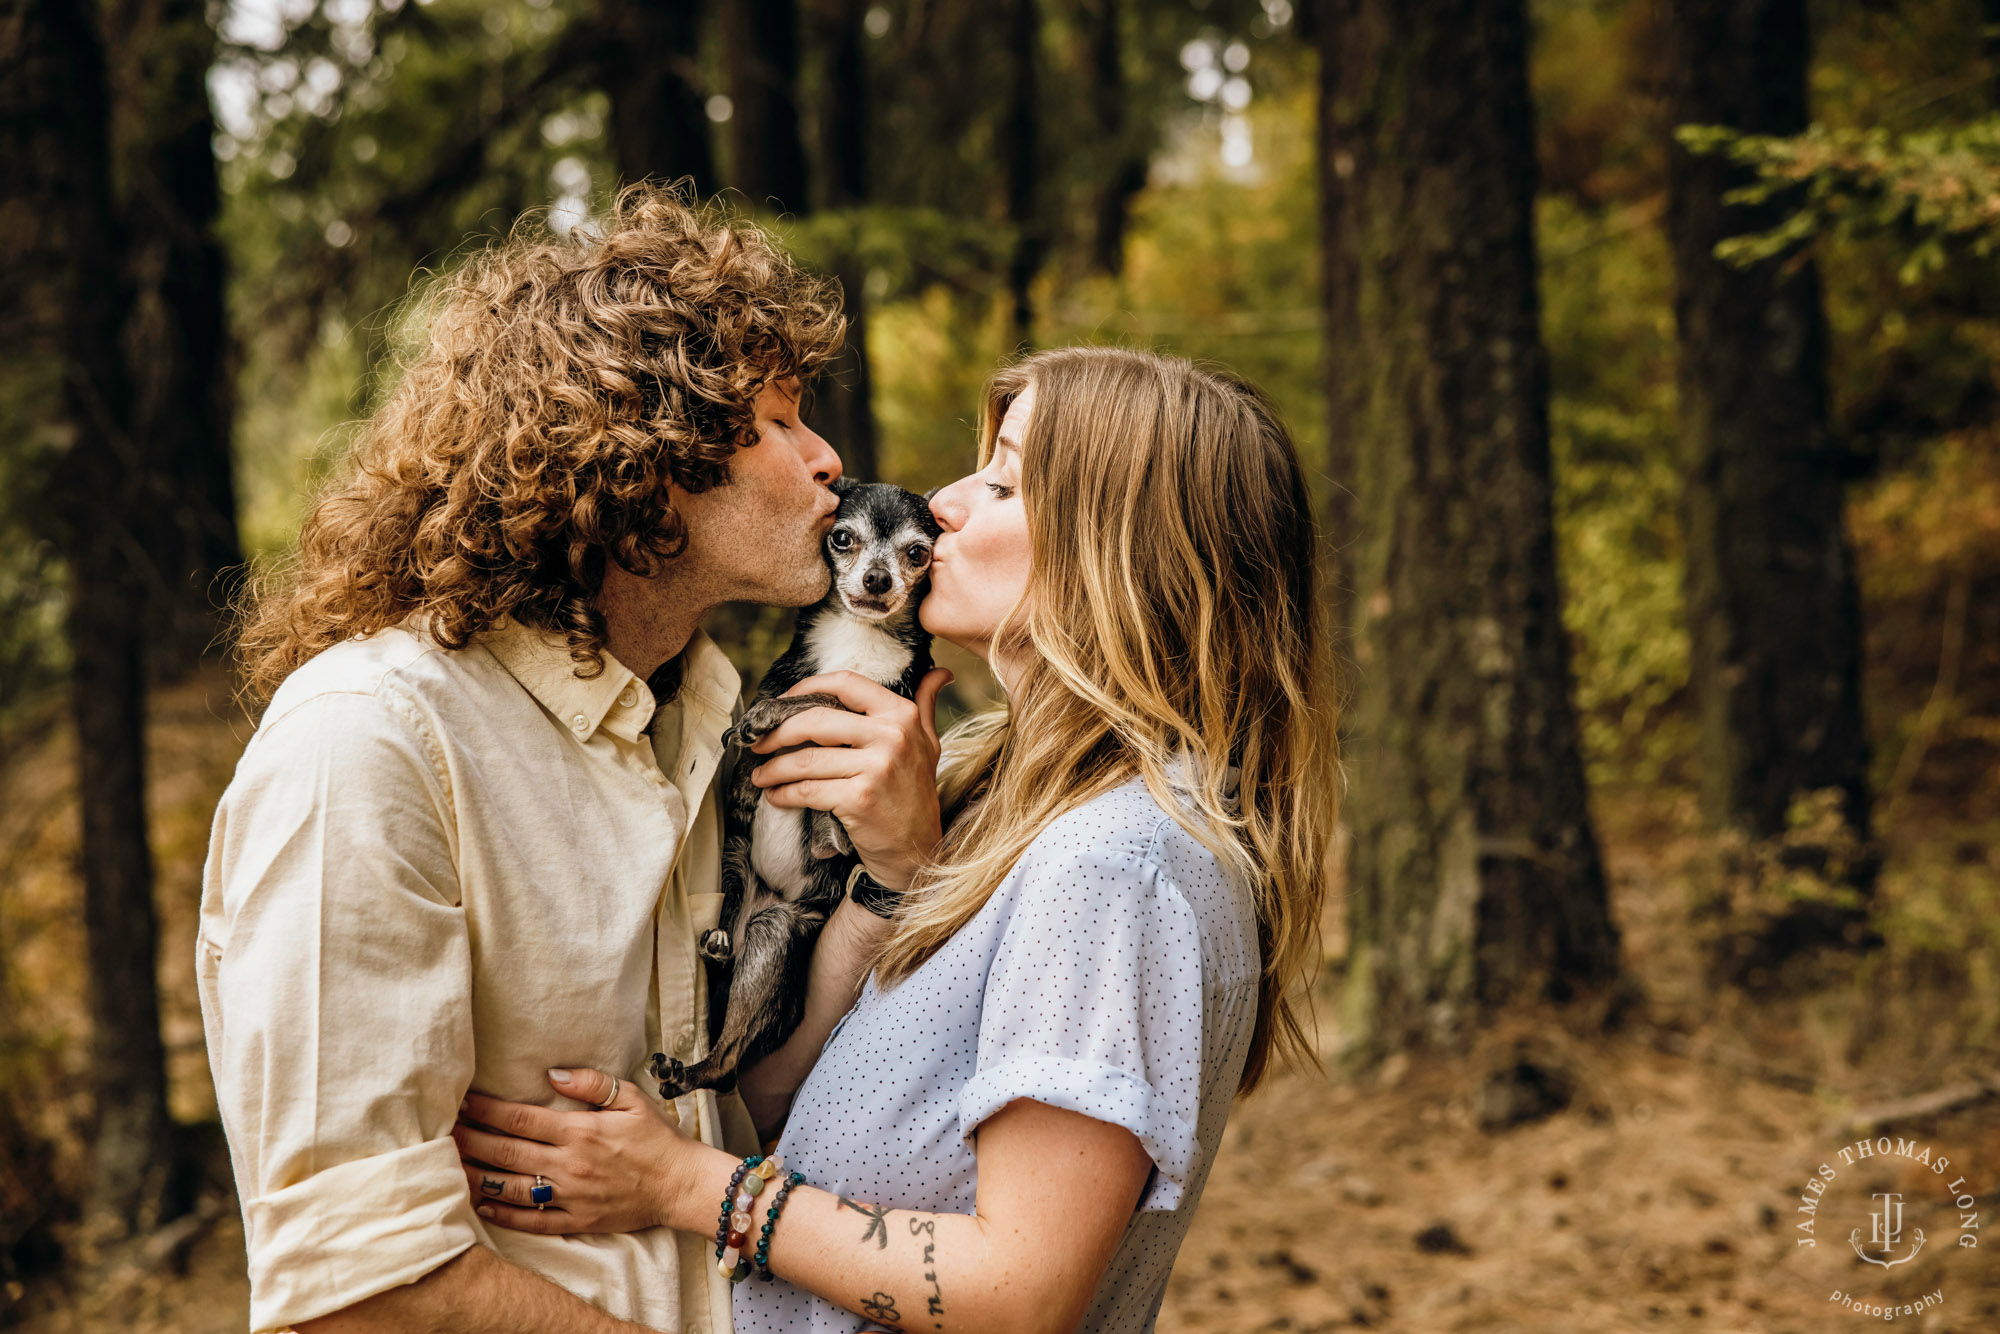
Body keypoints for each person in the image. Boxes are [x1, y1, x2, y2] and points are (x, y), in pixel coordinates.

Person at [454, 346, 1343, 1333]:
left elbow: (1020, 1290)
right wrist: (896, 875)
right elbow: (844, 1105)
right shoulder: (1002, 803)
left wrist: (684, 1184)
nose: (946, 505)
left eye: (1002, 479)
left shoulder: (1111, 868)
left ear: (1120, 552)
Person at [195, 187, 946, 1334]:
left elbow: (751, 1107)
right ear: (646, 455)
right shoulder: (370, 741)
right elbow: (356, 1283)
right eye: (780, 421)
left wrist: (893, 872)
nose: (828, 458)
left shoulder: (701, 711)